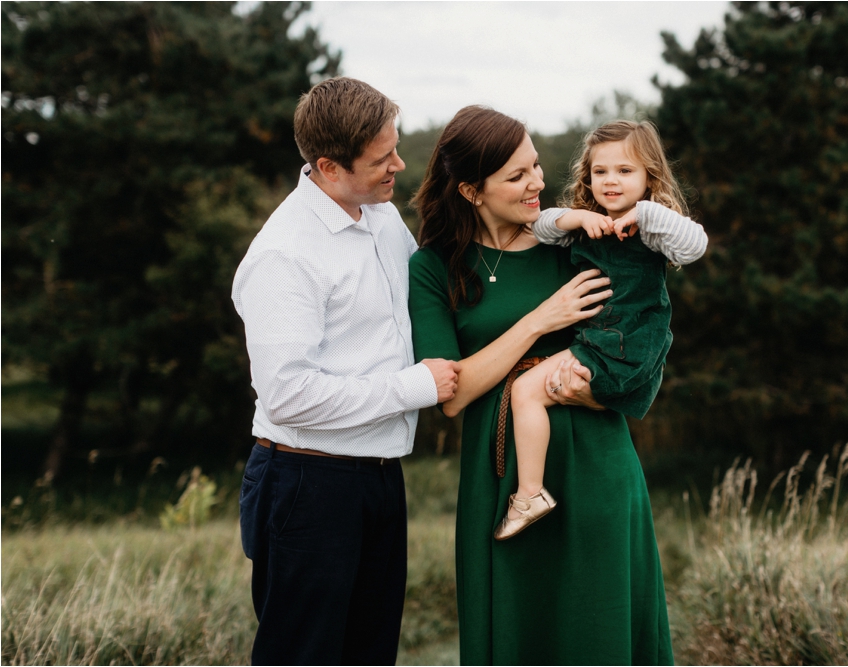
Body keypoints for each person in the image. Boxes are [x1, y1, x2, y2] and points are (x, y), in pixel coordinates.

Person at [408, 105, 675, 664]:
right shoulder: (435, 269)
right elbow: (452, 395)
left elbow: (646, 351)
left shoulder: (578, 243)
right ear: (471, 192)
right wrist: (540, 320)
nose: (536, 183)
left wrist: (588, 391)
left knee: (597, 631)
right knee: (517, 632)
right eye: (516, 176)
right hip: (503, 477)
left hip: (596, 462)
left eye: (534, 166)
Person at [231, 77, 461, 666]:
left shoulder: (380, 217)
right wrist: (415, 387)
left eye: (396, 146)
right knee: (304, 655)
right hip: (308, 485)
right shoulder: (285, 255)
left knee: (370, 653)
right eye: (383, 158)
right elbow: (287, 395)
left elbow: (425, 294)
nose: (399, 166)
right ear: (329, 166)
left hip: (379, 477)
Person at [495, 120, 708, 539]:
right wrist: (574, 218)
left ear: (649, 176)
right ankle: (537, 490)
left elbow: (695, 245)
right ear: (587, 176)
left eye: (626, 171)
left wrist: (644, 211)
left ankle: (529, 495)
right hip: (602, 344)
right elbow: (539, 225)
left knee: (524, 391)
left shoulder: (653, 229)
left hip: (622, 347)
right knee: (544, 390)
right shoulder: (586, 224)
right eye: (600, 172)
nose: (611, 181)